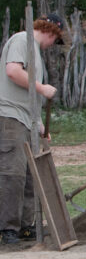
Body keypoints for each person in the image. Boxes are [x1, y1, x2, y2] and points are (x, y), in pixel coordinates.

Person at [0, 14, 62, 244]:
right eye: (55, 40)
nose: (53, 45)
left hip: (26, 118)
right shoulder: (22, 40)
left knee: (29, 176)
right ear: (51, 32)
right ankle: (7, 228)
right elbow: (13, 72)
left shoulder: (35, 52)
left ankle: (25, 225)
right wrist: (42, 87)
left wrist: (39, 124)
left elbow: (29, 95)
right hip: (9, 115)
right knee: (11, 174)